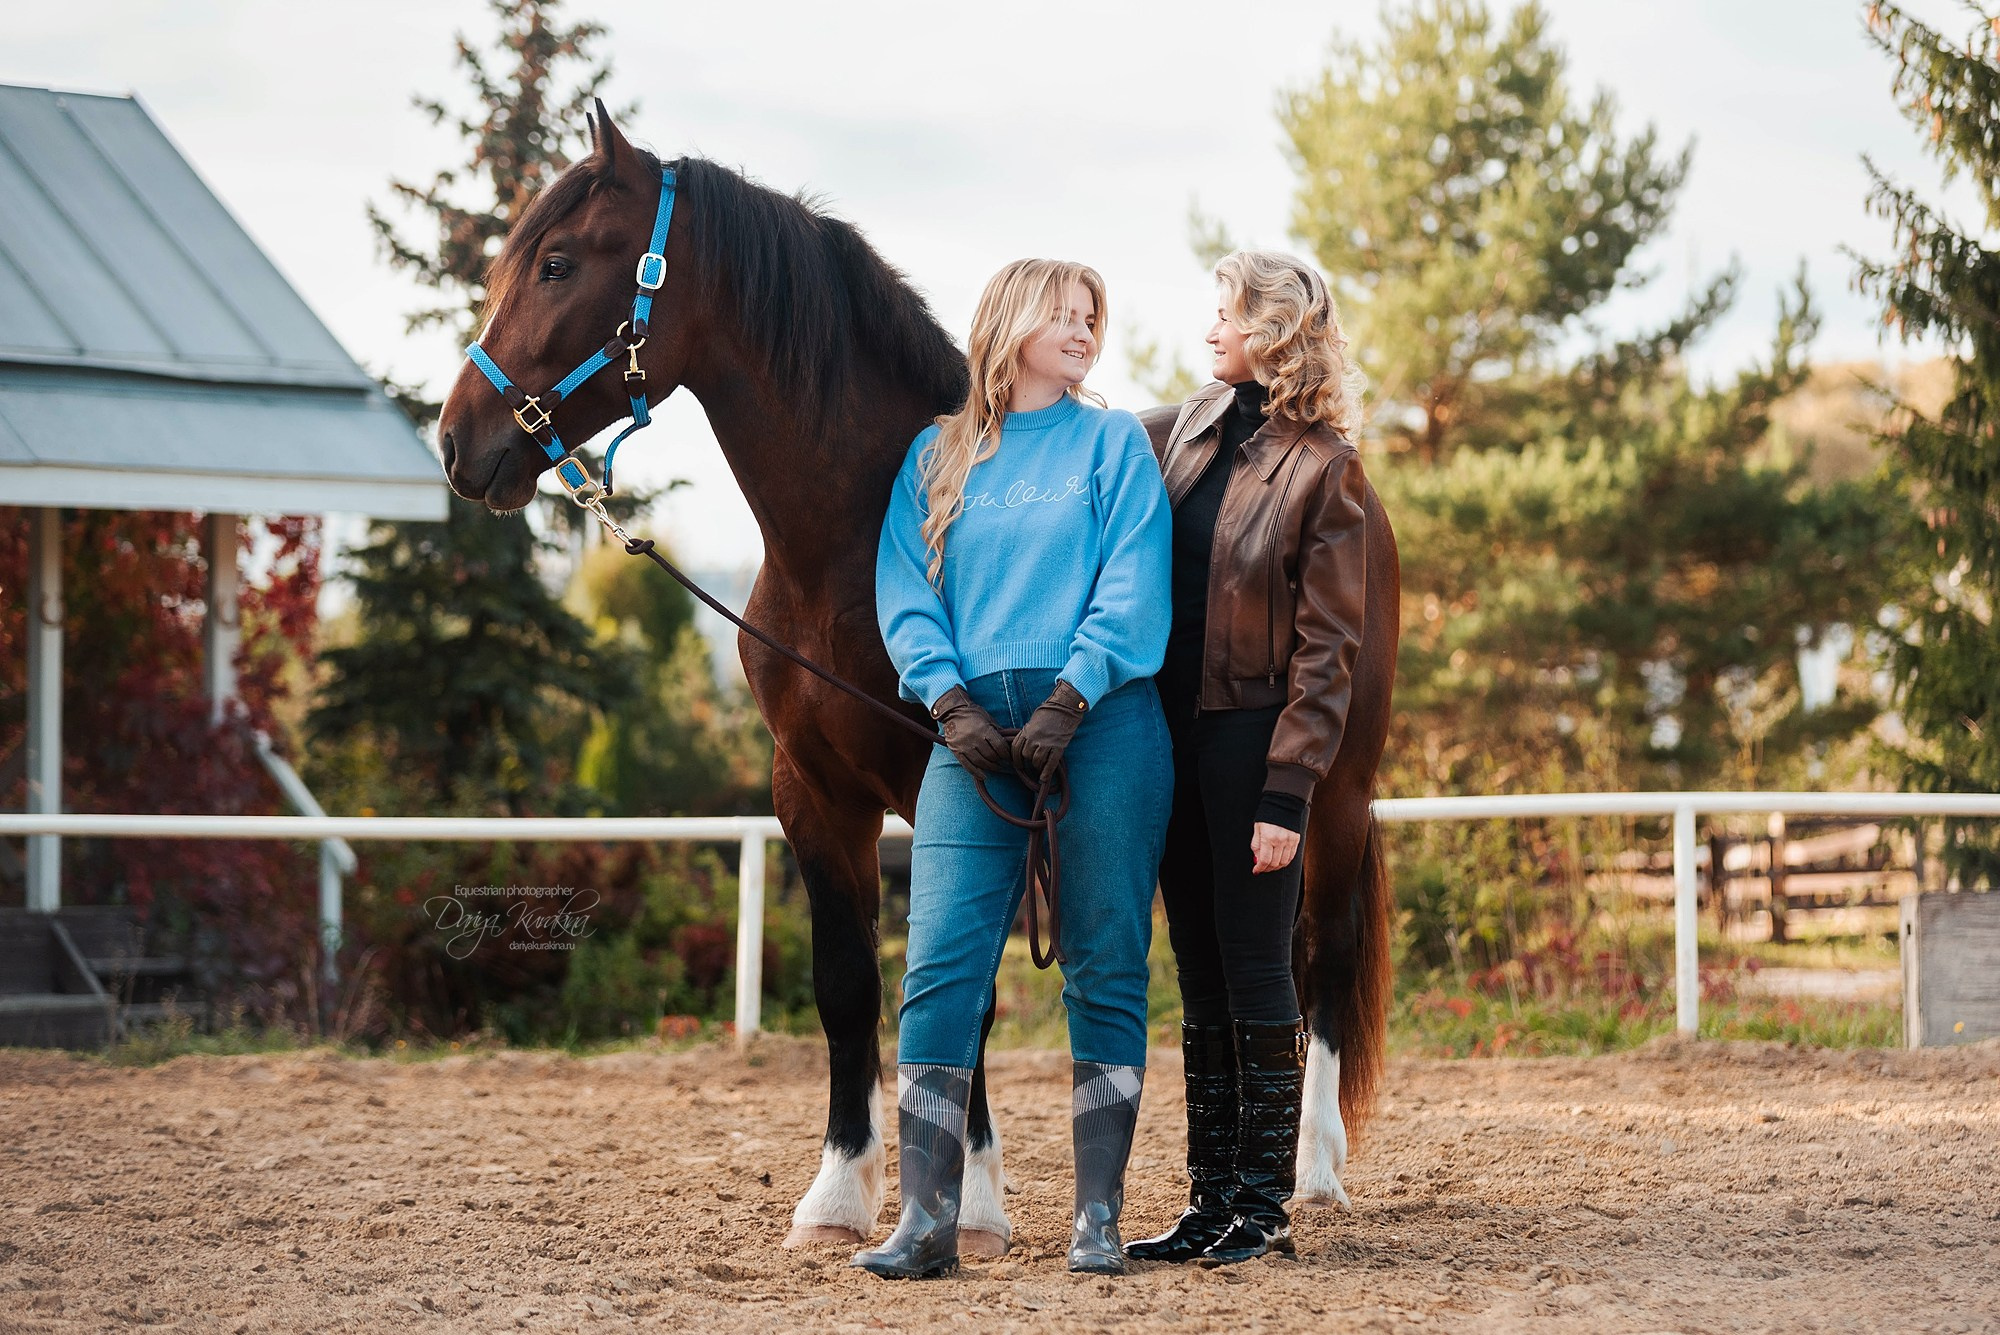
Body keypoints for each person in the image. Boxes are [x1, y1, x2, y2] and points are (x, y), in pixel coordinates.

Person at [856, 258, 1173, 1280]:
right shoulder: (936, 454)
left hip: (1102, 724)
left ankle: (1095, 1220)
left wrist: (1071, 697)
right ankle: (925, 1221)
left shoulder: (1110, 441)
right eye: (1062, 313)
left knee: (1104, 956)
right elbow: (904, 586)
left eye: (1092, 316)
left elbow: (1131, 575)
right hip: (969, 739)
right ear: (1008, 321)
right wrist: (946, 701)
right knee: (939, 965)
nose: (1082, 329)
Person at [1126, 251, 1370, 1266]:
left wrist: (1288, 790)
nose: (1207, 329)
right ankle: (1208, 1200)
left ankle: (1261, 1210)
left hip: (1251, 741)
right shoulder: (1181, 427)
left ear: (1272, 331)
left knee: (1257, 969)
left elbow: (1328, 650)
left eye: (1224, 314)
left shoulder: (1324, 469)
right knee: (1198, 974)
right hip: (1167, 739)